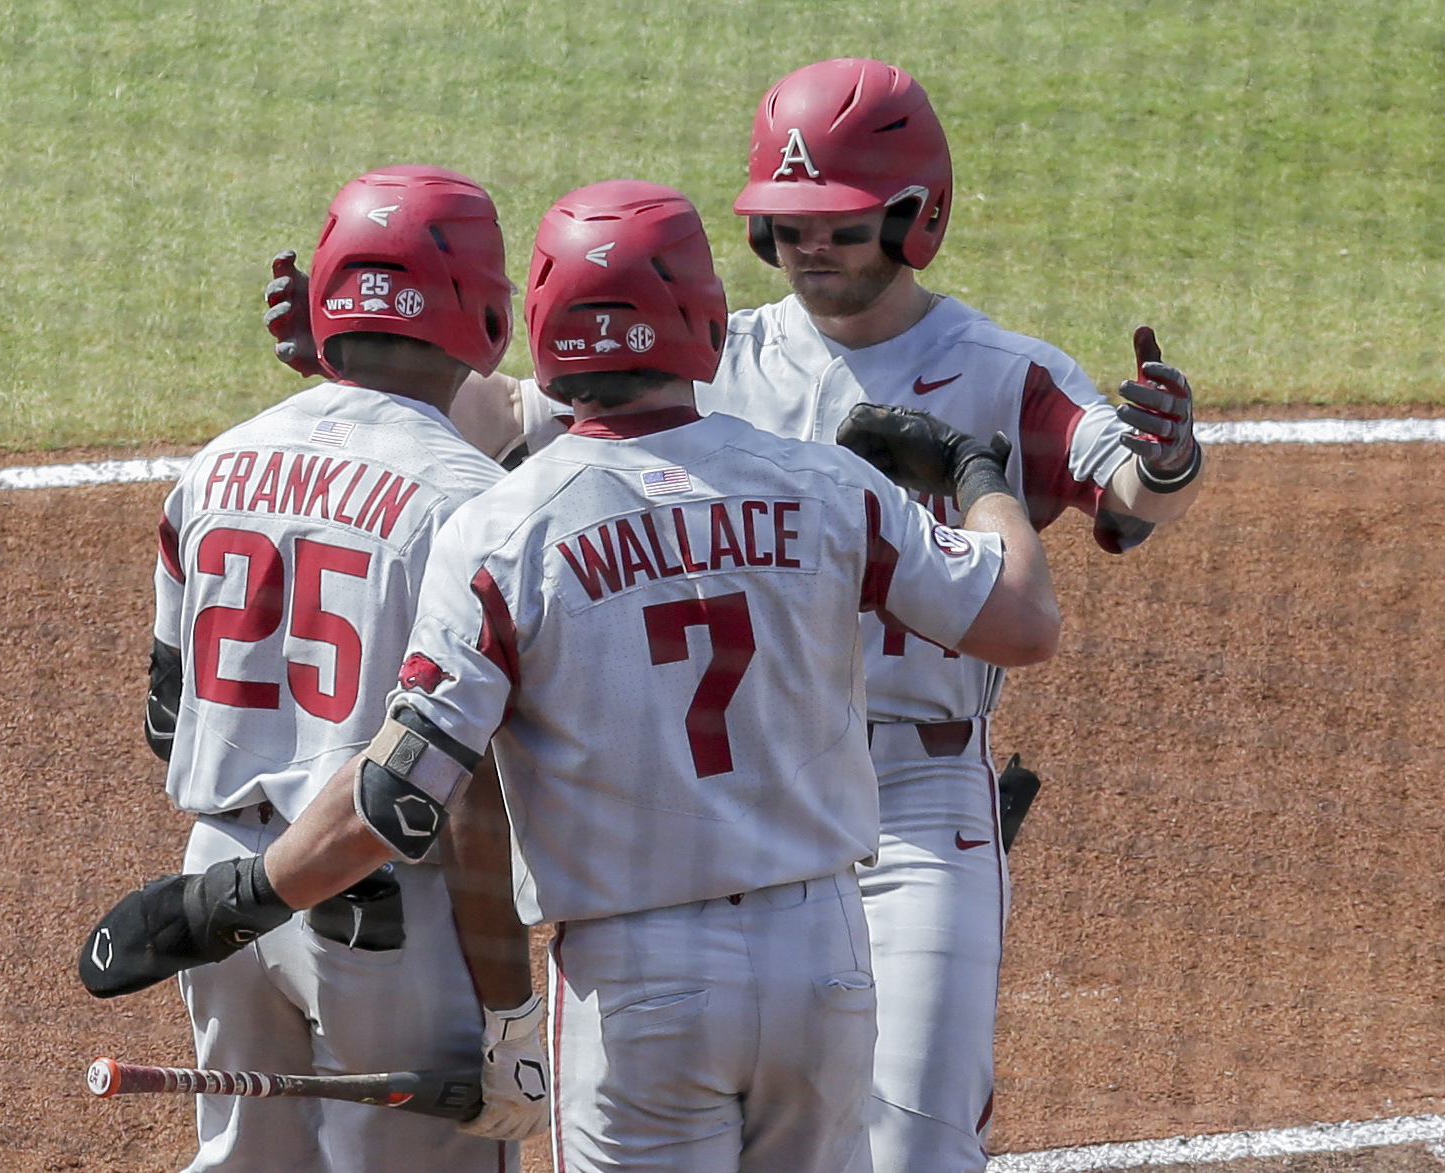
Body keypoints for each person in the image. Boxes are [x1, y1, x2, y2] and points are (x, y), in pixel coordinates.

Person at [263, 57, 1205, 1173]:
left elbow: (1128, 488)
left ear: (916, 217)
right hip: (732, 796)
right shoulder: (715, 353)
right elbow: (508, 409)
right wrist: (359, 352)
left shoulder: (1003, 371)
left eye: (841, 226)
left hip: (915, 800)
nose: (811, 249)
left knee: (912, 1149)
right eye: (786, 226)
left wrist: (1169, 456)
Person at [87, 178, 1061, 1173]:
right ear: (709, 320)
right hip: (822, 964)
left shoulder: (502, 526)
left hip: (639, 983)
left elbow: (396, 792)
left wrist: (231, 898)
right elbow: (1023, 622)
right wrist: (975, 474)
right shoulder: (828, 487)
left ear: (542, 325)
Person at [102, 164, 545, 1172]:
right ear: (484, 313)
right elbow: (468, 801)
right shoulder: (473, 504)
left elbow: (169, 721)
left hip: (215, 891)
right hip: (386, 919)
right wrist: (511, 1012)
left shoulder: (213, 465)